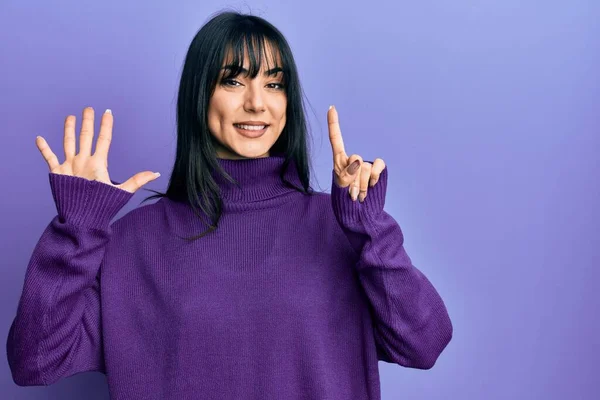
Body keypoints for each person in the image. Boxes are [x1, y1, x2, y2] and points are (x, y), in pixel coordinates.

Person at [6, 10, 453, 400]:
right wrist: (78, 227)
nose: (257, 103)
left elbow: (425, 342)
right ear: (200, 94)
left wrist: (369, 227)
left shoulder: (341, 227)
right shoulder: (131, 241)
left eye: (274, 84)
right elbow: (35, 362)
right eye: (233, 80)